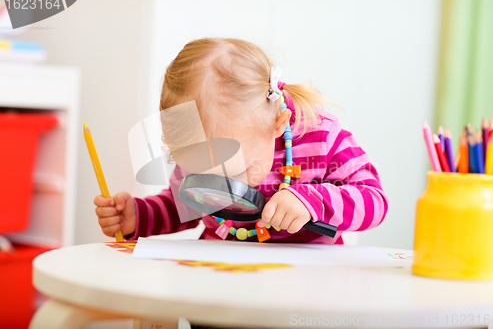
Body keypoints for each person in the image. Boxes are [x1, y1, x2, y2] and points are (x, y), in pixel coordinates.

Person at [94, 37, 388, 246]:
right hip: (221, 284)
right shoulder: (204, 149)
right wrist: (138, 216)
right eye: (201, 174)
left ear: (277, 125)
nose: (221, 185)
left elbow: (375, 200)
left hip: (306, 288)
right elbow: (183, 205)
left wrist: (314, 202)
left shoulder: (321, 135)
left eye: (235, 172)